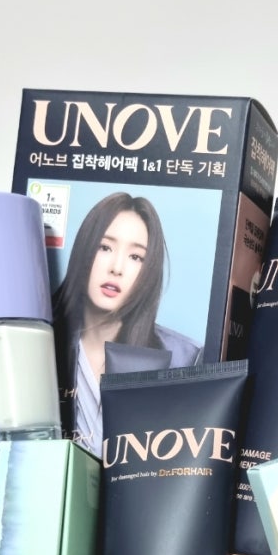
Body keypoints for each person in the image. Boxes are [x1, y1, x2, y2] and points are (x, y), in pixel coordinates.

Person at [52, 192, 202, 456]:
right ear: (85, 249)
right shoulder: (43, 342)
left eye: (136, 257)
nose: (117, 268)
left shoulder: (182, 359)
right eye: (104, 247)